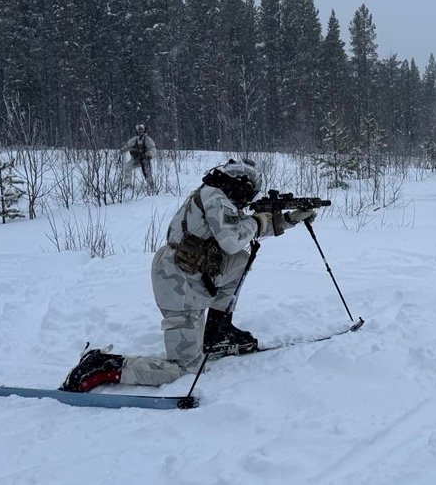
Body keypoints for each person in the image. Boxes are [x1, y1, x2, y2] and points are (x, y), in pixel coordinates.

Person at [60, 159, 318, 392]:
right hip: (177, 283)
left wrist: (289, 219)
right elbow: (232, 239)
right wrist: (259, 221)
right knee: (185, 369)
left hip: (193, 273)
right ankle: (105, 365)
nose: (248, 198)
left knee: (241, 260)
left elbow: (239, 232)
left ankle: (218, 330)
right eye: (249, 191)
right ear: (239, 185)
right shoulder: (214, 197)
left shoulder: (215, 197)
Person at [120, 124, 157, 193]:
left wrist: (150, 153)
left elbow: (153, 148)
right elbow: (128, 145)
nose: (140, 133)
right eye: (139, 132)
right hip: (136, 158)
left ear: (144, 131)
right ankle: (127, 184)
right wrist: (122, 150)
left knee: (146, 172)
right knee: (127, 167)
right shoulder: (135, 139)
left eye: (142, 131)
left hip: (144, 159)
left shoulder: (147, 139)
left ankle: (151, 185)